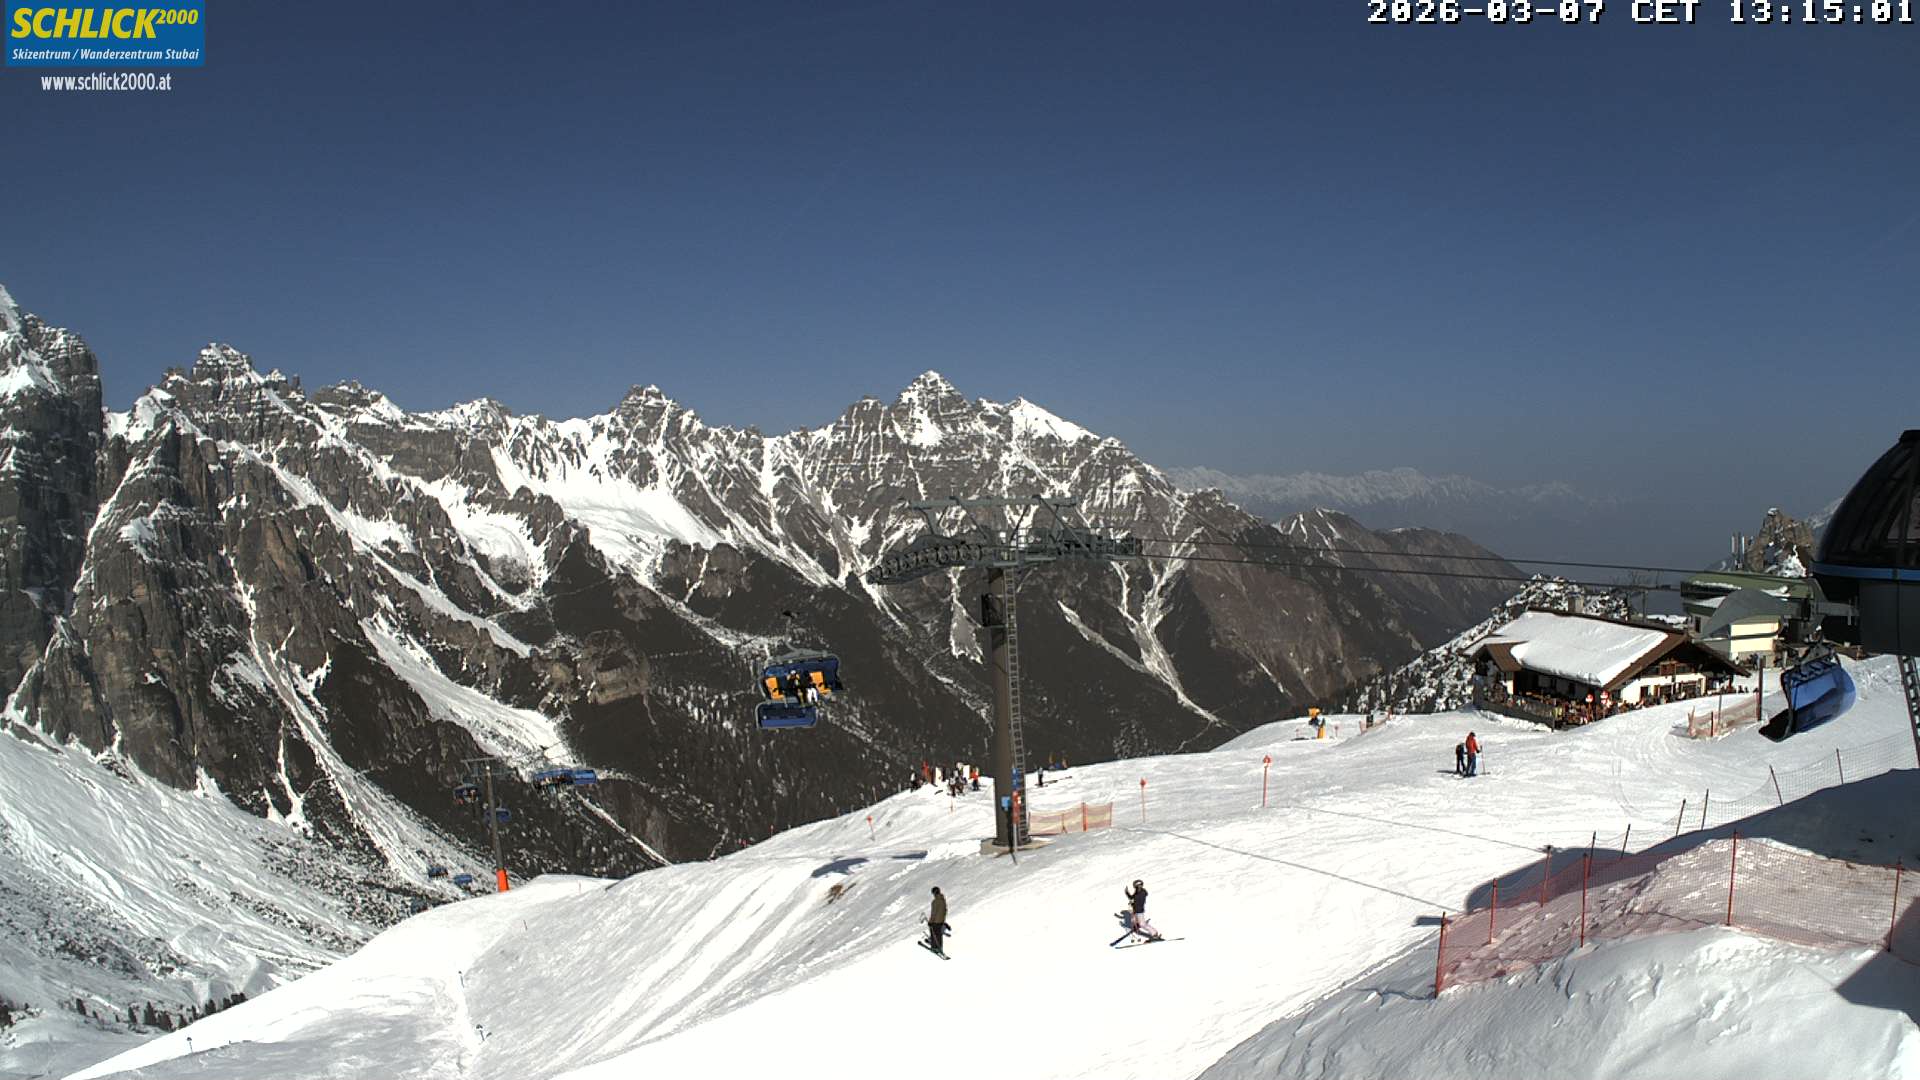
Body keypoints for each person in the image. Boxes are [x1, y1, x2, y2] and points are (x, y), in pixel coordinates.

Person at [927, 886, 949, 956]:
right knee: (939, 935)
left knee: (933, 933)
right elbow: (945, 910)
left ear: (934, 893)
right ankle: (940, 947)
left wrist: (930, 921)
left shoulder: (935, 901)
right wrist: (942, 919)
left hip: (935, 921)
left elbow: (934, 913)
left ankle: (934, 947)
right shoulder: (943, 900)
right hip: (941, 920)